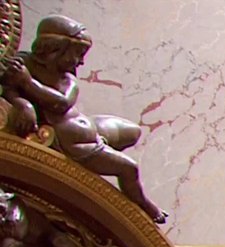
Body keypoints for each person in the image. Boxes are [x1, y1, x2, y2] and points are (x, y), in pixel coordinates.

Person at [2, 16, 167, 222]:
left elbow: (62, 103)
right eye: (77, 54)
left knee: (132, 131)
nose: (81, 62)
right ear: (55, 48)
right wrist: (23, 104)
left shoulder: (65, 79)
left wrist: (28, 83)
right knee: (128, 168)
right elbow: (8, 89)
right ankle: (143, 206)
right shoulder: (23, 63)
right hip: (74, 143)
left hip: (85, 127)